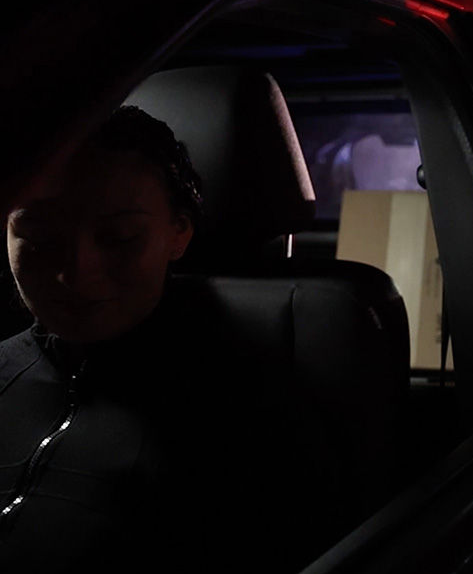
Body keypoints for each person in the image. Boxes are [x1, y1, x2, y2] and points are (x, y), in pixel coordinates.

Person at [0, 106, 332, 573]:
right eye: (37, 234)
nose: (75, 272)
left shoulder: (248, 414)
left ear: (178, 232)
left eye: (118, 237)